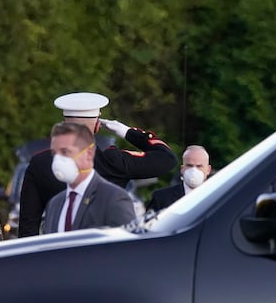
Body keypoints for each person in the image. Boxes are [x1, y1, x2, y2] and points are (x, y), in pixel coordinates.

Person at [18, 92, 177, 237]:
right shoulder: (112, 161)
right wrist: (127, 132)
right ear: (97, 126)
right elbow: (167, 158)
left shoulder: (40, 163)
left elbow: (28, 225)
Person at [43, 122, 135, 233]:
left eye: (65, 152)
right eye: (54, 153)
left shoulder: (113, 198)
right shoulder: (55, 204)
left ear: (89, 154)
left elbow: (127, 248)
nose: (58, 160)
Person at [147, 145, 211, 212]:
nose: (194, 170)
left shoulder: (217, 197)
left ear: (208, 170)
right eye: (189, 165)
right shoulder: (161, 197)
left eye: (199, 166)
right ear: (182, 169)